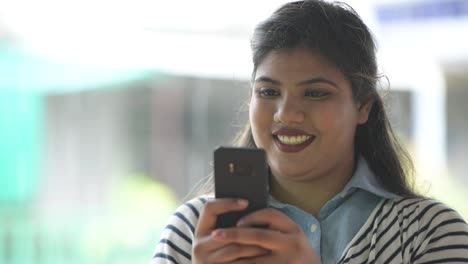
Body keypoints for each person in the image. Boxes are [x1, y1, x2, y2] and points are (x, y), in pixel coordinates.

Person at [151, 0, 468, 263]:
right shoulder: (193, 233)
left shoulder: (430, 234)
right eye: (268, 92)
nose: (286, 114)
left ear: (364, 107)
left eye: (316, 93)